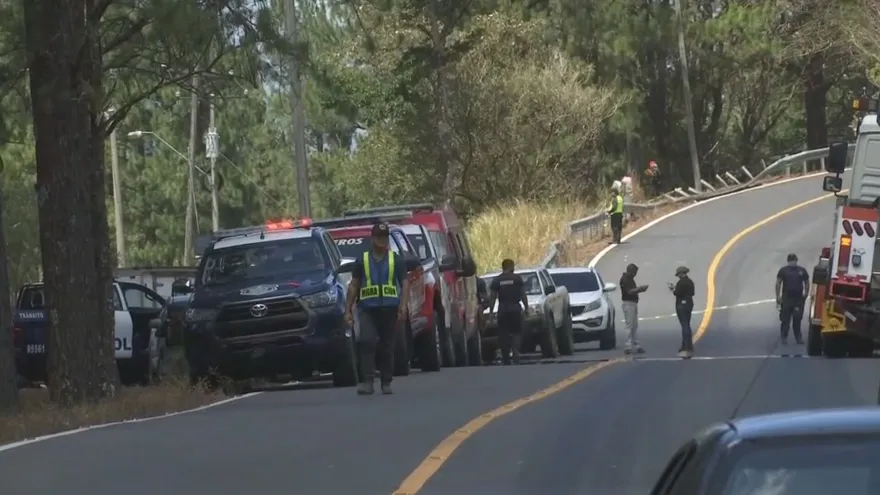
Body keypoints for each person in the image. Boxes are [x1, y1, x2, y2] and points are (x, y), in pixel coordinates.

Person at [344, 222, 410, 395]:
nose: (382, 240)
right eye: (378, 237)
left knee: (387, 346)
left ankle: (386, 382)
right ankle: (367, 381)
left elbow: (405, 282)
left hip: (389, 308)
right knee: (367, 341)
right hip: (367, 308)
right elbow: (354, 284)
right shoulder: (363, 259)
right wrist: (348, 309)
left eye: (384, 237)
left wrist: (403, 305)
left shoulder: (395, 259)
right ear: (372, 239)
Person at [487, 259, 530, 365]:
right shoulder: (517, 279)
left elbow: (492, 297)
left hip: (502, 309)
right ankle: (515, 354)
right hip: (515, 308)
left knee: (503, 334)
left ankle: (505, 357)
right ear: (511, 266)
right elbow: (523, 294)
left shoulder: (497, 280)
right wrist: (527, 307)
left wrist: (491, 312)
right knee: (516, 333)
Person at [775, 253, 810, 345]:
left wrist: (806, 294)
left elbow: (806, 282)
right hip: (786, 298)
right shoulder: (783, 271)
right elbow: (778, 283)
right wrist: (777, 297)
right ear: (788, 261)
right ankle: (783, 336)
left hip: (798, 299)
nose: (792, 262)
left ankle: (798, 337)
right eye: (791, 260)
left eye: (794, 260)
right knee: (785, 319)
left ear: (796, 261)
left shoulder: (802, 271)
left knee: (797, 319)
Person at [619, 263, 649, 354]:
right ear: (631, 271)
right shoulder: (625, 279)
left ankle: (636, 344)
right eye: (635, 272)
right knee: (629, 325)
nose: (635, 274)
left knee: (634, 325)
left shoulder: (630, 279)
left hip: (633, 303)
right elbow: (629, 292)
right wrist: (640, 289)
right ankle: (628, 345)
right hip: (628, 303)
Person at [668, 266, 695, 357]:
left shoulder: (681, 282)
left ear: (681, 273)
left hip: (681, 305)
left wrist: (673, 289)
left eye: (679, 274)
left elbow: (677, 293)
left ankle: (686, 346)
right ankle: (689, 345)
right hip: (689, 303)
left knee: (684, 325)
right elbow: (692, 293)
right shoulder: (690, 282)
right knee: (687, 324)